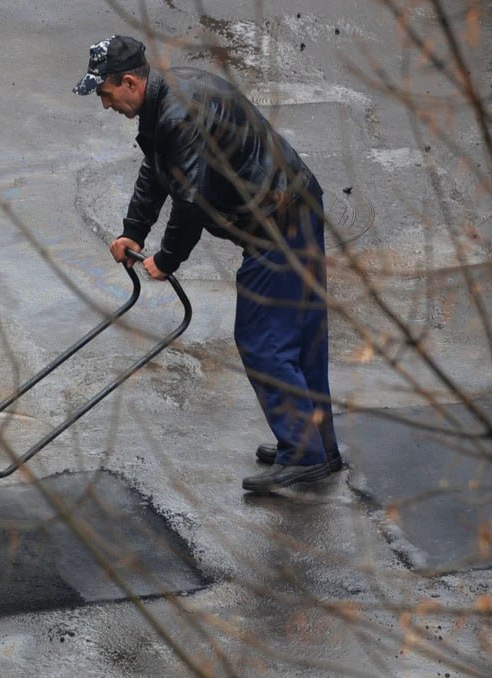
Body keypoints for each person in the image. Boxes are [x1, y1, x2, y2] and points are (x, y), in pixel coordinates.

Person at [73, 35, 342, 493]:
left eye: (105, 94)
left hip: (278, 223)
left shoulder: (179, 115)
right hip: (291, 207)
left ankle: (304, 452)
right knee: (299, 336)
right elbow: (159, 171)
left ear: (130, 82)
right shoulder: (166, 103)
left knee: (262, 339)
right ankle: (316, 446)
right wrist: (132, 231)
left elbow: (190, 198)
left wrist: (167, 259)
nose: (105, 105)